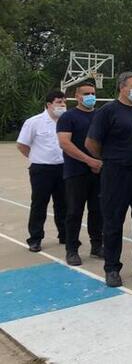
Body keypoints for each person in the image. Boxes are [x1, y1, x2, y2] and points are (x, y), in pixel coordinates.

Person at [85, 72, 132, 287]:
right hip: (116, 174)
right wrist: (109, 159)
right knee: (113, 222)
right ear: (122, 88)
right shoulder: (108, 112)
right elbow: (91, 143)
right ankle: (112, 268)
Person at [56, 81, 103, 265]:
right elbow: (65, 143)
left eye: (93, 93)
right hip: (76, 172)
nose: (91, 96)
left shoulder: (100, 115)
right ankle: (72, 249)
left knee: (97, 211)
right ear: (77, 96)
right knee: (74, 211)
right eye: (86, 93)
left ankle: (97, 246)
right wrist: (89, 160)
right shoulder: (68, 117)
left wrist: (100, 161)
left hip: (99, 171)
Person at [16, 90, 68, 252]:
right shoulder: (34, 122)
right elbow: (22, 145)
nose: (63, 105)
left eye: (64, 102)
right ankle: (35, 238)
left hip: (63, 168)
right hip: (41, 170)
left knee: (63, 204)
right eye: (59, 102)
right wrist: (36, 158)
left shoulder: (67, 121)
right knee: (39, 204)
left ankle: (64, 234)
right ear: (49, 104)